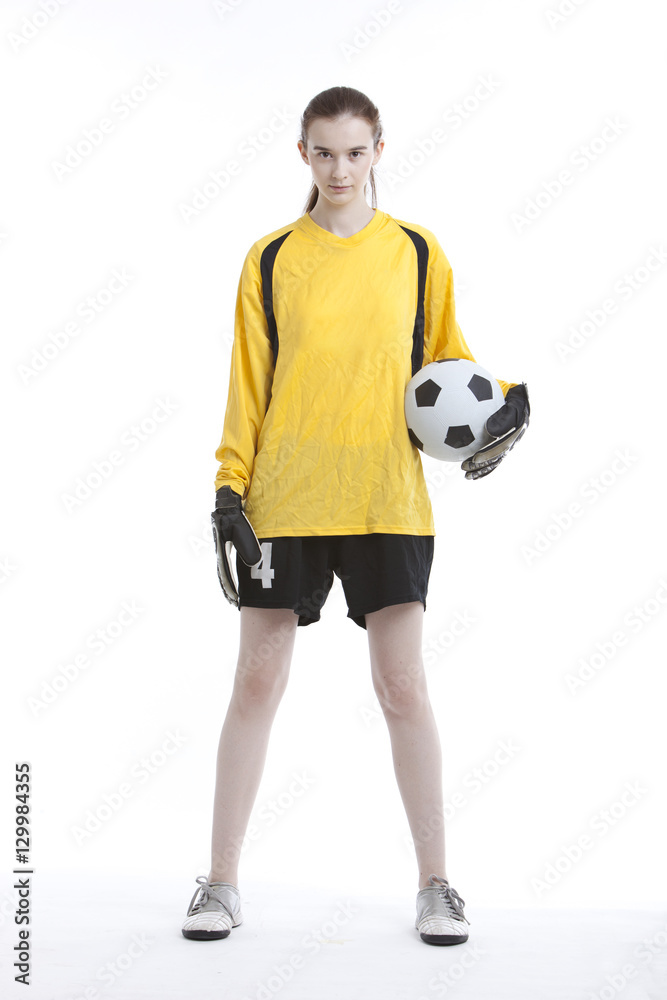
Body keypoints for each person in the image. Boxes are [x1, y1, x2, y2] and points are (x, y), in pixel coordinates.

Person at [181, 86, 530, 947]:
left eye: (355, 151)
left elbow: (448, 364)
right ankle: (219, 882)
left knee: (402, 688)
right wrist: (230, 488)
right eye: (324, 152)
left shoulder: (415, 251)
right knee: (255, 683)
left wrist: (503, 411)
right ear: (302, 155)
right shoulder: (268, 259)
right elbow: (248, 381)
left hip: (385, 498)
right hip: (286, 499)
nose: (340, 168)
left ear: (379, 151)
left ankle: (437, 884)